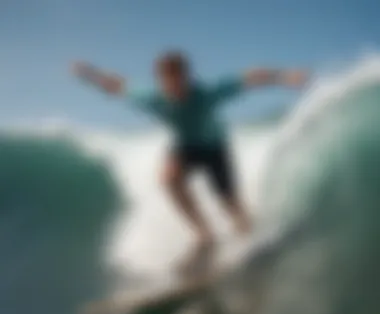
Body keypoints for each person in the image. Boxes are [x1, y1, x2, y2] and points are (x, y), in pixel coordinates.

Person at [71, 51, 308, 272]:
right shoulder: (153, 98)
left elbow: (249, 77)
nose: (175, 87)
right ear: (161, 80)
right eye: (168, 81)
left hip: (215, 148)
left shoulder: (207, 94)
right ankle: (205, 234)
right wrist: (89, 73)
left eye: (179, 79)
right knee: (168, 179)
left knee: (231, 206)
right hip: (185, 147)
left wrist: (285, 76)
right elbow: (118, 86)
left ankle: (253, 244)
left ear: (187, 76)